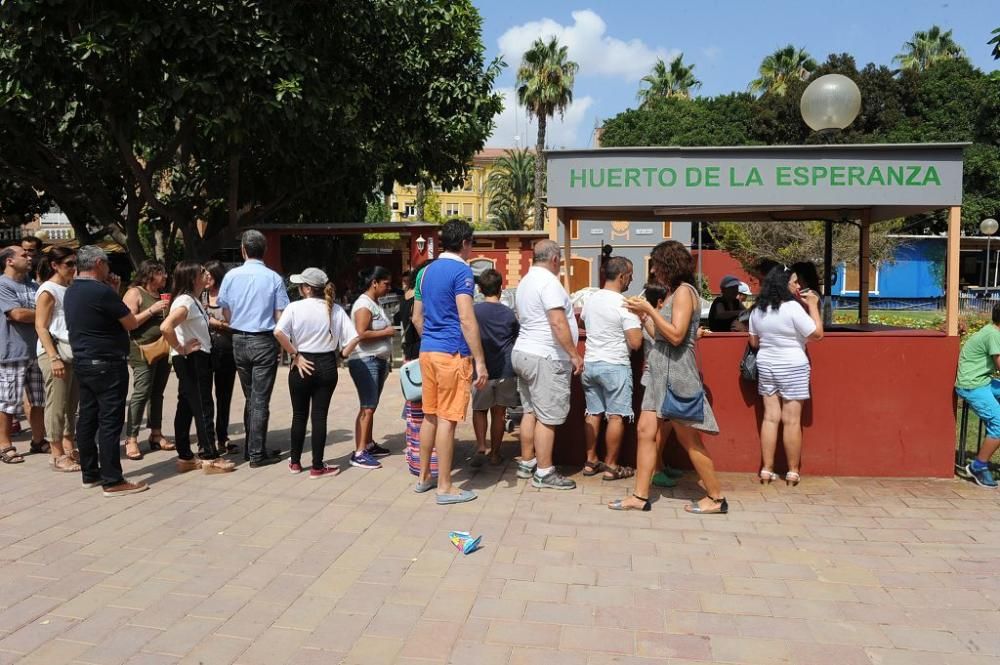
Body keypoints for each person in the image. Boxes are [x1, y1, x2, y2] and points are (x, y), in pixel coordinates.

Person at [613, 240, 726, 514]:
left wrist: (650, 310)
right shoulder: (676, 292)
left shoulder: (685, 293)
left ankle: (716, 498)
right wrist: (644, 317)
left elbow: (676, 336)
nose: (653, 272)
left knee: (689, 440)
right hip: (659, 375)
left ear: (669, 265)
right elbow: (661, 337)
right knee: (645, 432)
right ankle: (640, 497)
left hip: (676, 375)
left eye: (656, 265)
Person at [412, 218, 488, 504]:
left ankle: (424, 478)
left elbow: (416, 317)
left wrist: (431, 339)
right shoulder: (461, 272)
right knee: (448, 419)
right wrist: (480, 361)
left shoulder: (426, 272)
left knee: (429, 415)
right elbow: (467, 319)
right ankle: (445, 486)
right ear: (466, 243)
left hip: (428, 351)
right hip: (451, 354)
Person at [64, 246, 147, 496]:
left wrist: (112, 293)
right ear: (98, 263)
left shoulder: (72, 290)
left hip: (84, 361)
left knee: (88, 418)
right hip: (108, 364)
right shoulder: (100, 291)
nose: (110, 269)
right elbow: (130, 322)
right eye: (107, 264)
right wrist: (113, 293)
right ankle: (113, 479)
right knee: (110, 422)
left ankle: (90, 473)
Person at [274, 268, 358, 478]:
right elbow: (355, 338)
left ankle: (294, 462)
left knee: (299, 415)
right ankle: (317, 466)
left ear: (308, 289)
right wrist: (341, 356)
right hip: (327, 362)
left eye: (301, 285)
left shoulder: (294, 308)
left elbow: (278, 332)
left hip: (301, 362)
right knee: (319, 416)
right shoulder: (335, 309)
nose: (299, 289)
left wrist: (295, 355)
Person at [512, 239, 581, 491]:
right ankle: (544, 471)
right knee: (547, 417)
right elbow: (557, 322)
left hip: (525, 352)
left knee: (530, 410)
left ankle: (527, 462)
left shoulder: (526, 280)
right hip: (546, 356)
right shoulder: (549, 283)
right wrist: (574, 354)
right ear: (554, 260)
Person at [217, 230, 289, 468]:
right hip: (263, 340)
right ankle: (257, 453)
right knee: (259, 400)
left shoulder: (231, 276)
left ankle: (252, 448)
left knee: (251, 397)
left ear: (243, 250)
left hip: (238, 339)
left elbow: (225, 311)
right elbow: (281, 314)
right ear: (264, 251)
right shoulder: (273, 278)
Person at [748, 266, 824, 486]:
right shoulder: (793, 308)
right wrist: (813, 306)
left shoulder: (757, 310)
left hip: (767, 364)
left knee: (770, 418)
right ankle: (792, 471)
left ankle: (766, 469)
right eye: (794, 282)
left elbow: (754, 342)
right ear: (784, 284)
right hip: (793, 365)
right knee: (791, 421)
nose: (798, 286)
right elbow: (817, 334)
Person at [159, 262, 236, 475]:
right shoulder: (186, 301)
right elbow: (166, 326)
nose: (207, 274)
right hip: (192, 359)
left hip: (193, 358)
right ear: (193, 278)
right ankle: (210, 456)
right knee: (203, 405)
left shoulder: (192, 300)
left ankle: (185, 456)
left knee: (186, 404)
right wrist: (180, 348)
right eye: (202, 272)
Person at [580, 256, 642, 481]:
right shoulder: (624, 304)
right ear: (623, 276)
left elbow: (583, 321)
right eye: (631, 275)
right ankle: (611, 465)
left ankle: (590, 461)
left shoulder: (591, 300)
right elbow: (635, 342)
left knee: (593, 413)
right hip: (615, 365)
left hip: (591, 363)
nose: (631, 280)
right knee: (616, 417)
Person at [0, 244, 47, 465]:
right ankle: (5, 445)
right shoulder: (2, 285)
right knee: (8, 403)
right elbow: (16, 313)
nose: (29, 258)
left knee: (38, 399)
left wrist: (36, 314)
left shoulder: (32, 284)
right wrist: (42, 313)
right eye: (24, 255)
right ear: (9, 261)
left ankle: (39, 440)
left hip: (36, 351)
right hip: (11, 352)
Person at [34, 247, 80, 472]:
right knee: (57, 404)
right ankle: (56, 453)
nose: (74, 268)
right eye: (69, 263)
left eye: (75, 263)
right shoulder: (48, 289)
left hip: (71, 351)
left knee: (71, 403)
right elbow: (41, 326)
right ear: (55, 265)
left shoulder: (69, 287)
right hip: (54, 352)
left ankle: (68, 445)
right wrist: (53, 357)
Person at [122, 260, 172, 460]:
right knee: (141, 392)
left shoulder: (161, 295)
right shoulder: (135, 293)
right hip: (142, 350)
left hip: (162, 348)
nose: (166, 277)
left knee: (157, 393)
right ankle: (131, 438)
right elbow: (129, 323)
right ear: (150, 274)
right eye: (162, 273)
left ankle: (156, 433)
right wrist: (152, 310)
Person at [346, 266, 395, 469]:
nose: (388, 287)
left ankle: (368, 443)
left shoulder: (374, 303)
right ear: (374, 282)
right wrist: (387, 331)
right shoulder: (364, 305)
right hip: (366, 360)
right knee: (367, 406)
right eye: (386, 284)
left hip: (377, 360)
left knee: (371, 405)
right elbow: (361, 333)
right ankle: (359, 452)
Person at [470, 269, 519, 467]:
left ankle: (482, 445)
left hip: (481, 369)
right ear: (501, 288)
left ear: (480, 289)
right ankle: (495, 454)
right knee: (499, 413)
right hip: (505, 369)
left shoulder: (474, 312)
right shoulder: (509, 314)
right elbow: (516, 337)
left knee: (479, 409)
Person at [955, 304, 1000, 488]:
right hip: (972, 385)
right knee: (999, 424)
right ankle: (978, 466)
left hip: (982, 380)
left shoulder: (994, 331)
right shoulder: (994, 334)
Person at [203, 260, 237, 455]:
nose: (206, 278)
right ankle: (207, 439)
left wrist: (216, 323)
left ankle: (222, 437)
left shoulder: (229, 296)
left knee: (224, 396)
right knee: (205, 397)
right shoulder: (200, 295)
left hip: (226, 350)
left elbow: (236, 324)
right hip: (206, 350)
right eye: (204, 275)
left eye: (209, 275)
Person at [395, 270, 420, 362]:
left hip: (408, 342)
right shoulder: (418, 297)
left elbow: (398, 319)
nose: (404, 284)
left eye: (405, 281)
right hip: (418, 340)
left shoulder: (403, 298)